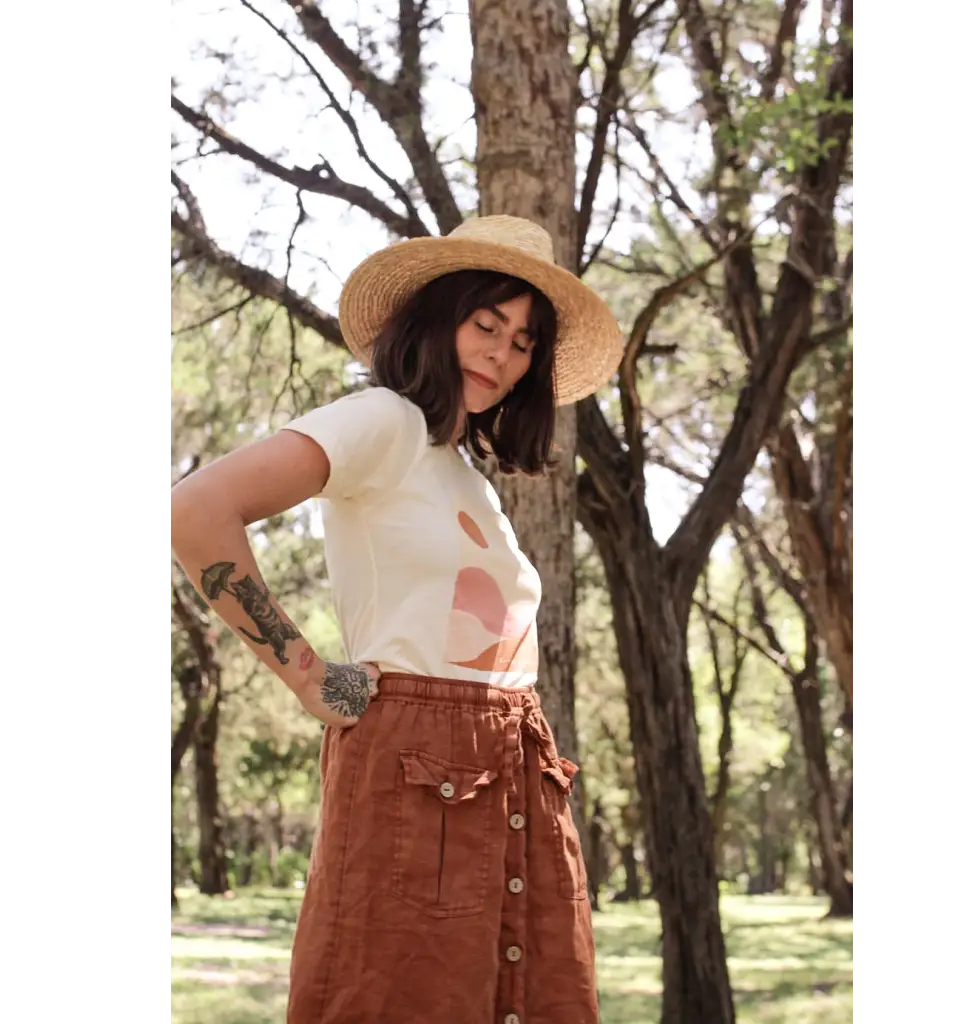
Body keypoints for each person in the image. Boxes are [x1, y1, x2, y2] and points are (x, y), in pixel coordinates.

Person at [169, 215, 623, 1024]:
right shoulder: (384, 420)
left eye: (523, 342)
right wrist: (310, 677)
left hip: (516, 767)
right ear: (436, 319)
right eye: (486, 324)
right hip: (419, 770)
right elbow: (197, 509)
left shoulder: (465, 474)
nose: (501, 352)